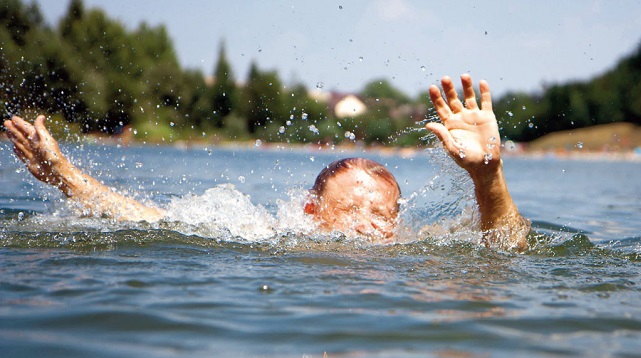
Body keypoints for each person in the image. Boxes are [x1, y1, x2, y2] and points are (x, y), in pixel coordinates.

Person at [3, 74, 530, 249]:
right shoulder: (266, 233)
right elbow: (146, 220)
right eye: (349, 212)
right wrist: (64, 175)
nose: (368, 228)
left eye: (381, 217)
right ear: (308, 212)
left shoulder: (414, 251)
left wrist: (489, 177)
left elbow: (509, 244)